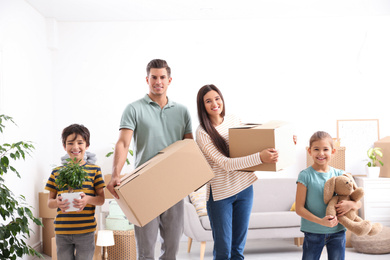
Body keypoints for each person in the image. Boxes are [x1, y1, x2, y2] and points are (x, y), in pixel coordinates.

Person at [107, 59, 193, 260]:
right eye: (154, 77)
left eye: (162, 77)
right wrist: (115, 175)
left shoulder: (182, 111)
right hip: (144, 186)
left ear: (169, 80)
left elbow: (189, 148)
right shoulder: (134, 109)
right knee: (146, 251)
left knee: (171, 250)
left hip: (174, 186)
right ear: (147, 79)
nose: (158, 81)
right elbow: (123, 143)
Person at [195, 84, 282, 260]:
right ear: (202, 106)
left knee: (238, 251)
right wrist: (260, 157)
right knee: (223, 251)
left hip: (244, 189)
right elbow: (225, 164)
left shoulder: (234, 120)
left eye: (217, 98)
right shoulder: (202, 132)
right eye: (208, 101)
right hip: (220, 196)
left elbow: (254, 142)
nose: (214, 104)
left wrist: (284, 139)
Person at [295, 131, 361, 260]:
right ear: (309, 151)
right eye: (316, 149)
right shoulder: (305, 175)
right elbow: (299, 208)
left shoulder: (341, 174)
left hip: (338, 232)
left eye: (325, 149)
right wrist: (321, 222)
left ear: (333, 151)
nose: (321, 153)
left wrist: (350, 204)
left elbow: (358, 202)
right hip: (313, 231)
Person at [45, 124, 105, 260]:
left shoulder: (95, 170)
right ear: (64, 146)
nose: (75, 147)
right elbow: (49, 203)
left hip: (86, 231)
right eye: (70, 143)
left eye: (80, 143)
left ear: (87, 145)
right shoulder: (57, 172)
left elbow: (101, 199)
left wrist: (87, 199)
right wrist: (57, 202)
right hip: (62, 231)